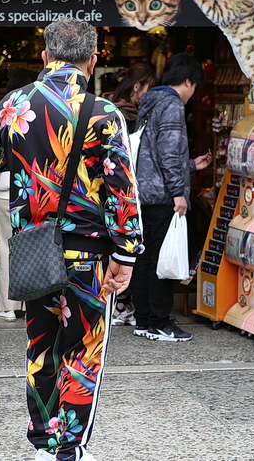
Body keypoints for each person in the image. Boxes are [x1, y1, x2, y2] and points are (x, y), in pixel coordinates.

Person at [0, 17, 143, 461]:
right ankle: (67, 450)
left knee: (41, 348)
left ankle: (43, 443)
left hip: (34, 250)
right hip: (89, 255)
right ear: (92, 61)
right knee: (84, 349)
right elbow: (121, 189)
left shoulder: (11, 105)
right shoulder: (104, 114)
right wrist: (127, 253)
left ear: (45, 56)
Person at [131, 53, 213, 342]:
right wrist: (179, 192)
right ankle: (160, 322)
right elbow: (167, 152)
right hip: (163, 196)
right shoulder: (173, 104)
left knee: (146, 258)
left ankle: (143, 320)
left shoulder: (151, 101)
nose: (193, 94)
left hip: (145, 193)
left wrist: (190, 165)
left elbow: (153, 154)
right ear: (188, 81)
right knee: (162, 261)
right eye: (195, 87)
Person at [0, 69, 38, 322]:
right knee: (33, 247)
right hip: (34, 193)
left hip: (3, 193)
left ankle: (6, 306)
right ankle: (32, 305)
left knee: (4, 248)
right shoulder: (41, 112)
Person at [101, 63, 158, 326]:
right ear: (137, 87)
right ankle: (121, 303)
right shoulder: (126, 116)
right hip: (122, 190)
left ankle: (119, 303)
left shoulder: (106, 108)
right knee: (125, 248)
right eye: (148, 89)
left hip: (106, 192)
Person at [101, 63, 158, 134]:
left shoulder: (108, 105)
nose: (151, 94)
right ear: (136, 87)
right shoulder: (122, 115)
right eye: (149, 89)